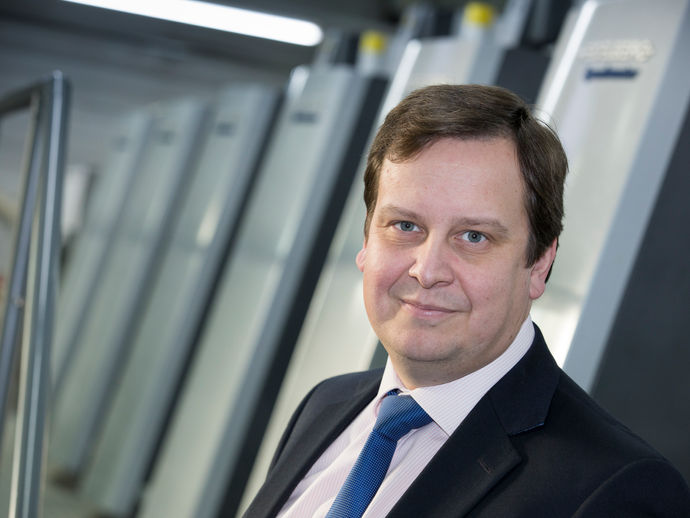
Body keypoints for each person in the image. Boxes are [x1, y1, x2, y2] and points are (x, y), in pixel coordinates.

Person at [243, 84, 690, 517]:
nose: (427, 270)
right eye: (405, 226)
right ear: (365, 240)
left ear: (539, 264)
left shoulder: (613, 491)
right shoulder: (325, 406)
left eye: (474, 236)